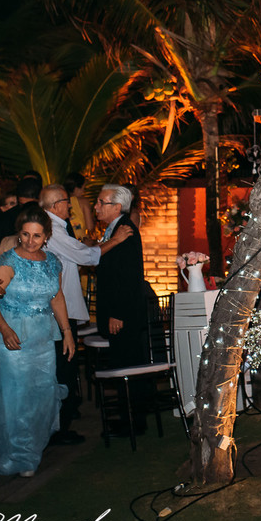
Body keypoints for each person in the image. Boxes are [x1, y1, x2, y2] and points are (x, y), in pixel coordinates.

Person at [0, 206, 73, 477]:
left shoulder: (52, 262)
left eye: (36, 236)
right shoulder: (8, 262)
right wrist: (4, 329)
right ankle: (13, 458)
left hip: (43, 337)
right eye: (25, 234)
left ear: (46, 236)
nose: (30, 241)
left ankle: (30, 453)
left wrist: (67, 331)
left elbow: (56, 297)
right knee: (13, 398)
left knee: (41, 394)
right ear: (18, 233)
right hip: (11, 337)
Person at [39, 185, 131, 445]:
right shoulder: (53, 229)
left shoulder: (55, 227)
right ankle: (61, 427)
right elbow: (83, 256)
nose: (71, 207)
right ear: (56, 204)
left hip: (62, 305)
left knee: (64, 364)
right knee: (64, 365)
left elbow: (76, 251)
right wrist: (115, 241)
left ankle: (64, 420)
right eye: (67, 203)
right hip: (60, 307)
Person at [95, 184, 150, 435]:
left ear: (116, 206)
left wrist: (116, 312)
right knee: (123, 362)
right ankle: (128, 418)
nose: (96, 207)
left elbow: (125, 276)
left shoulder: (124, 230)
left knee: (127, 364)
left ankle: (133, 422)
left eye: (100, 202)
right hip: (121, 311)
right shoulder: (115, 229)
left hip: (123, 313)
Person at [62, 172, 95, 238]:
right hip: (80, 241)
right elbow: (90, 227)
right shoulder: (83, 201)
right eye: (83, 188)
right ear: (76, 189)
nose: (83, 192)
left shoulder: (60, 201)